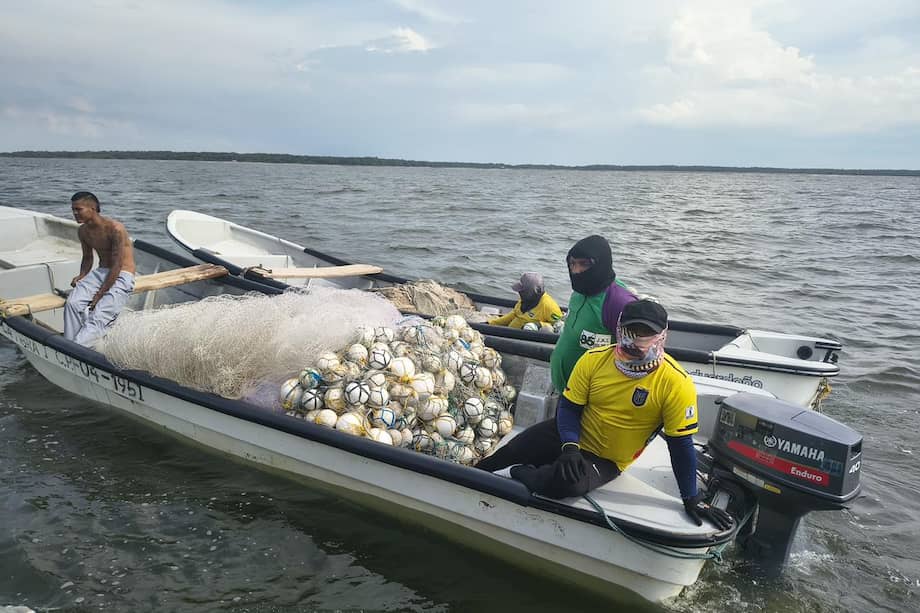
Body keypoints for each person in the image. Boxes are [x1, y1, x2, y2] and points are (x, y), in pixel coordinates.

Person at [477, 299, 733, 530]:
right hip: (570, 437)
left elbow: (681, 445)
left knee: (565, 485)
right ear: (619, 328)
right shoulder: (593, 359)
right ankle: (475, 474)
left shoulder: (676, 383)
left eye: (647, 334)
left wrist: (691, 498)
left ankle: (521, 472)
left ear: (662, 336)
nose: (637, 339)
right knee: (509, 450)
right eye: (631, 331)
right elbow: (568, 408)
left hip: (607, 459)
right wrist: (569, 447)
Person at [550, 235, 637, 394]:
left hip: (594, 399)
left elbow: (636, 361)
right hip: (567, 391)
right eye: (572, 264)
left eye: (584, 264)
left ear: (602, 263)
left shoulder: (619, 303)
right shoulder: (579, 292)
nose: (576, 271)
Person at [64, 191, 136, 346]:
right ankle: (70, 345)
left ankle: (81, 346)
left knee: (99, 315)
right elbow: (88, 257)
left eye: (79, 209)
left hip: (122, 274)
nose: (75, 213)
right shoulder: (83, 231)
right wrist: (82, 275)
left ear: (93, 208)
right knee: (73, 304)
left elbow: (117, 264)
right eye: (73, 210)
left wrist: (100, 294)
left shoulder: (115, 229)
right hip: (102, 272)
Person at [487, 272, 563, 330]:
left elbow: (558, 327)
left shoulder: (548, 305)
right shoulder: (524, 300)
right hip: (510, 333)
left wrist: (539, 325)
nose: (519, 292)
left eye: (522, 291)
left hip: (528, 339)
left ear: (532, 290)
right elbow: (512, 315)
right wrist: (491, 323)